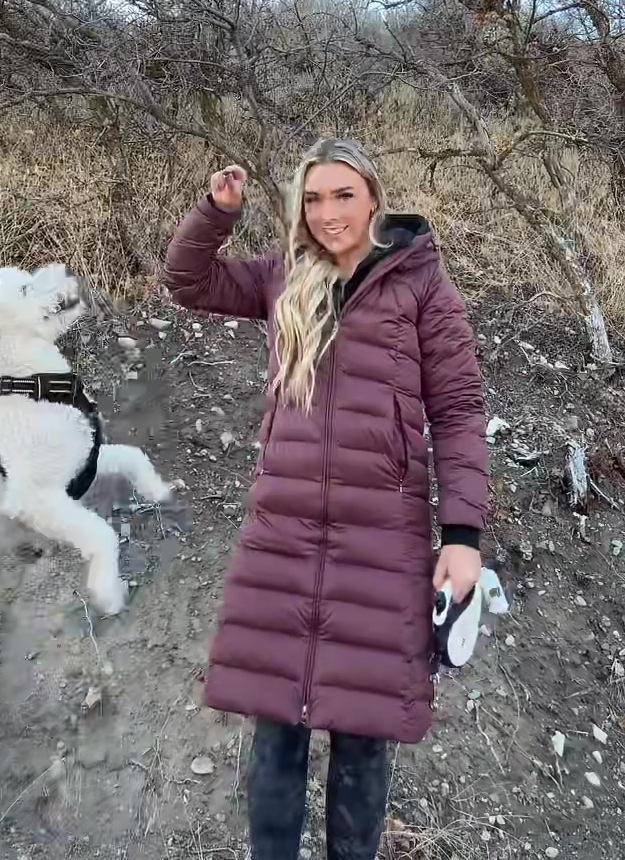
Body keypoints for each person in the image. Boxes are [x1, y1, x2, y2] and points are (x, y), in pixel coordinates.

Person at [164, 138, 488, 860]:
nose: (328, 212)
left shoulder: (420, 283)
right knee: (275, 731)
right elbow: (187, 281)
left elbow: (460, 410)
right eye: (313, 198)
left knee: (363, 741)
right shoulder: (284, 274)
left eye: (343, 194)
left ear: (374, 198)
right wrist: (216, 212)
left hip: (382, 544)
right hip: (282, 536)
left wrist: (463, 536)